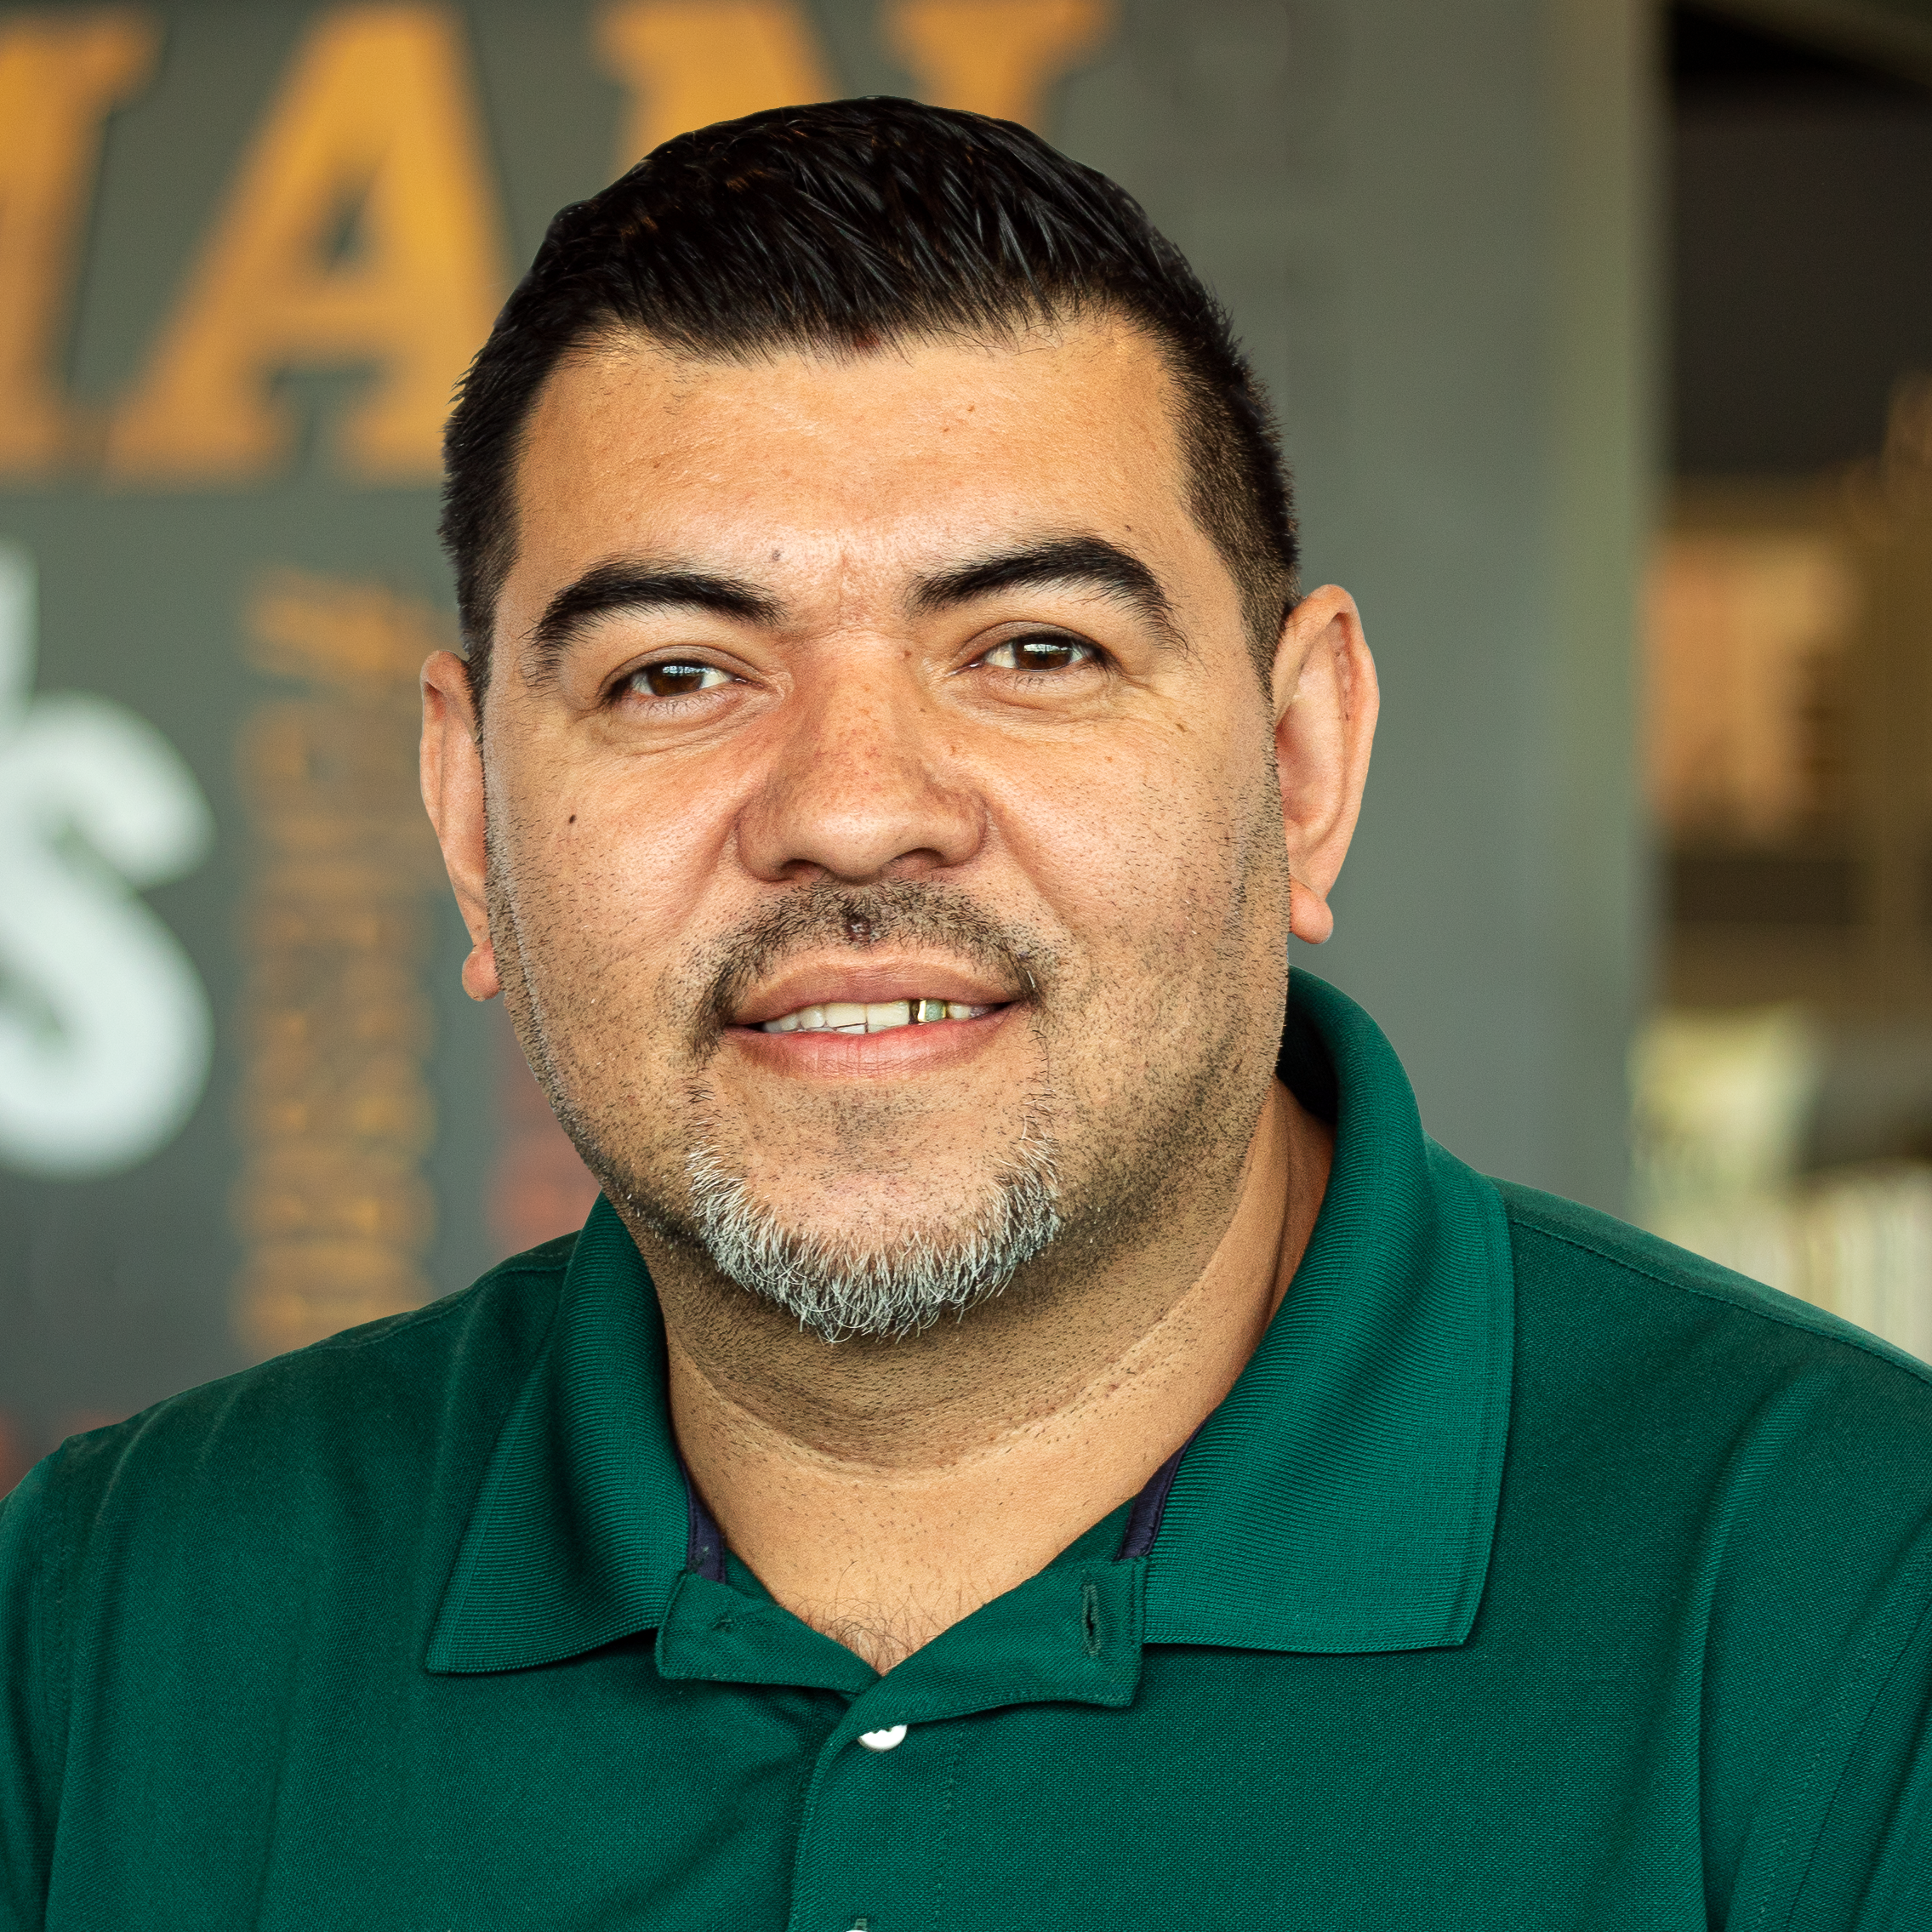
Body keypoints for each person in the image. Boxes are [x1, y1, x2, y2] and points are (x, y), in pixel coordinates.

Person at [4, 97, 1931, 1932]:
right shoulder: (110, 1624)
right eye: (676, 672)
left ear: (1300, 759)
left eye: (1031, 650)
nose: (851, 804)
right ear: (466, 818)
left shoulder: (1854, 1603)